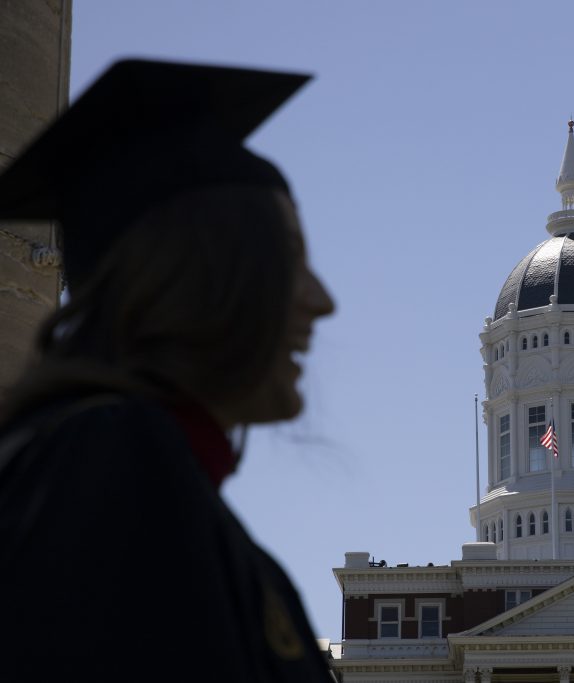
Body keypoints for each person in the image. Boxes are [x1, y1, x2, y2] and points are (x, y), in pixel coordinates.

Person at [0, 60, 336, 681]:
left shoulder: (131, 477)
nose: (321, 300)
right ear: (198, 279)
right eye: (288, 259)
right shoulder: (108, 472)